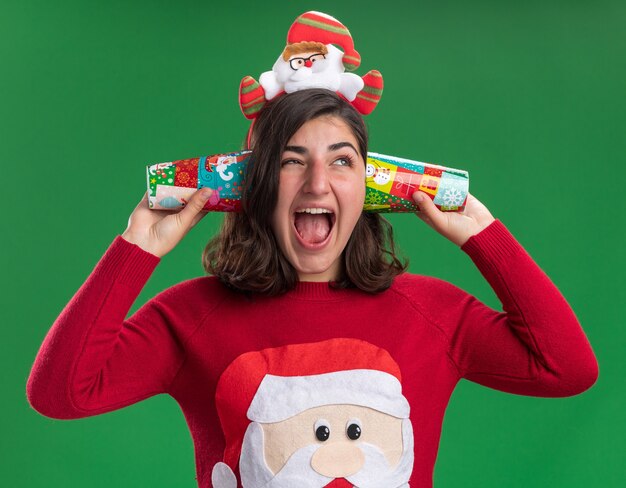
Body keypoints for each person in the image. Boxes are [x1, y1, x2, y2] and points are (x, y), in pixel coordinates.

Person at [26, 88, 598, 488]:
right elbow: (59, 393)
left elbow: (566, 369)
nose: (318, 182)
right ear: (256, 184)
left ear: (369, 188)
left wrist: (484, 237)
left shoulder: (431, 312)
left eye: (342, 161)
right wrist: (136, 249)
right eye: (292, 161)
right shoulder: (191, 316)